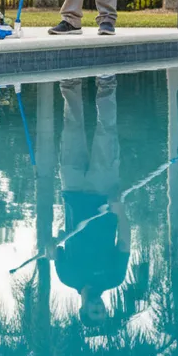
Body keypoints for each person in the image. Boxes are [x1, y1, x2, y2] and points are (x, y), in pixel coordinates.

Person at [53, 75, 131, 327]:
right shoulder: (114, 278)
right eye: (102, 311)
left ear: (83, 310)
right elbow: (125, 242)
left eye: (94, 311)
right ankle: (107, 82)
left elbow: (57, 242)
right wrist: (119, 211)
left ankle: (70, 82)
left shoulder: (67, 277)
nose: (99, 307)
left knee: (71, 127)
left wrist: (51, 247)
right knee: (106, 131)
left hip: (73, 192)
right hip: (103, 193)